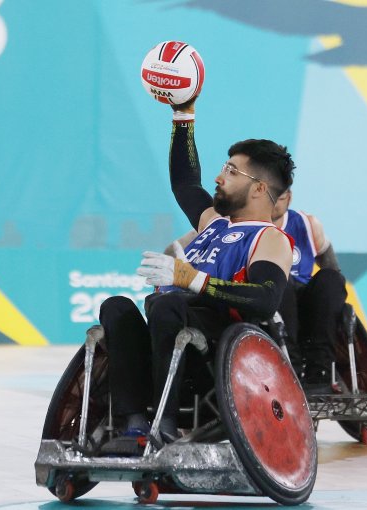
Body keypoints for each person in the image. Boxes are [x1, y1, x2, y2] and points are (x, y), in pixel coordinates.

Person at [97, 99, 295, 455]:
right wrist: (182, 114)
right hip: (169, 326)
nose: (220, 177)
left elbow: (265, 300)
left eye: (232, 171)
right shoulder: (212, 223)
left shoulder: (270, 238)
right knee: (117, 308)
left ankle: (167, 425)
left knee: (169, 304)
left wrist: (191, 278)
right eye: (223, 168)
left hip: (216, 349)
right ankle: (134, 425)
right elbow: (185, 182)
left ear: (259, 189)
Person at [271, 188, 348, 394]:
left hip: (304, 308)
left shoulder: (308, 225)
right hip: (270, 306)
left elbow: (333, 268)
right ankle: (293, 368)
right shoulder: (242, 224)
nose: (273, 202)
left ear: (289, 197)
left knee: (331, 279)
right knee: (281, 279)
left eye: (278, 196)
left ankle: (320, 374)